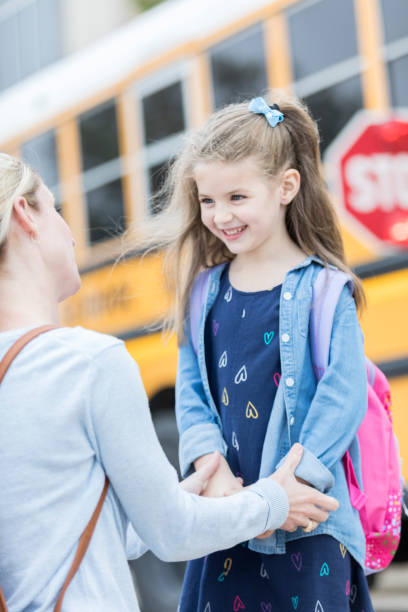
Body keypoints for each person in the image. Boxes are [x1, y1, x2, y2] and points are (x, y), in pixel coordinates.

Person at [0, 153, 338, 611]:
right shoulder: (87, 363)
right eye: (56, 208)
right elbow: (174, 533)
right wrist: (273, 501)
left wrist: (173, 496)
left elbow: (49, 538)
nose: (72, 231)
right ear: (25, 216)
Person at [145, 94, 375, 611]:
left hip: (309, 520)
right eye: (207, 201)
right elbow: (193, 392)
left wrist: (292, 486)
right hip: (228, 521)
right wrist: (211, 464)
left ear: (286, 187)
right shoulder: (203, 292)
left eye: (237, 198)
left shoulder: (325, 290)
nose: (220, 215)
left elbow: (343, 396)